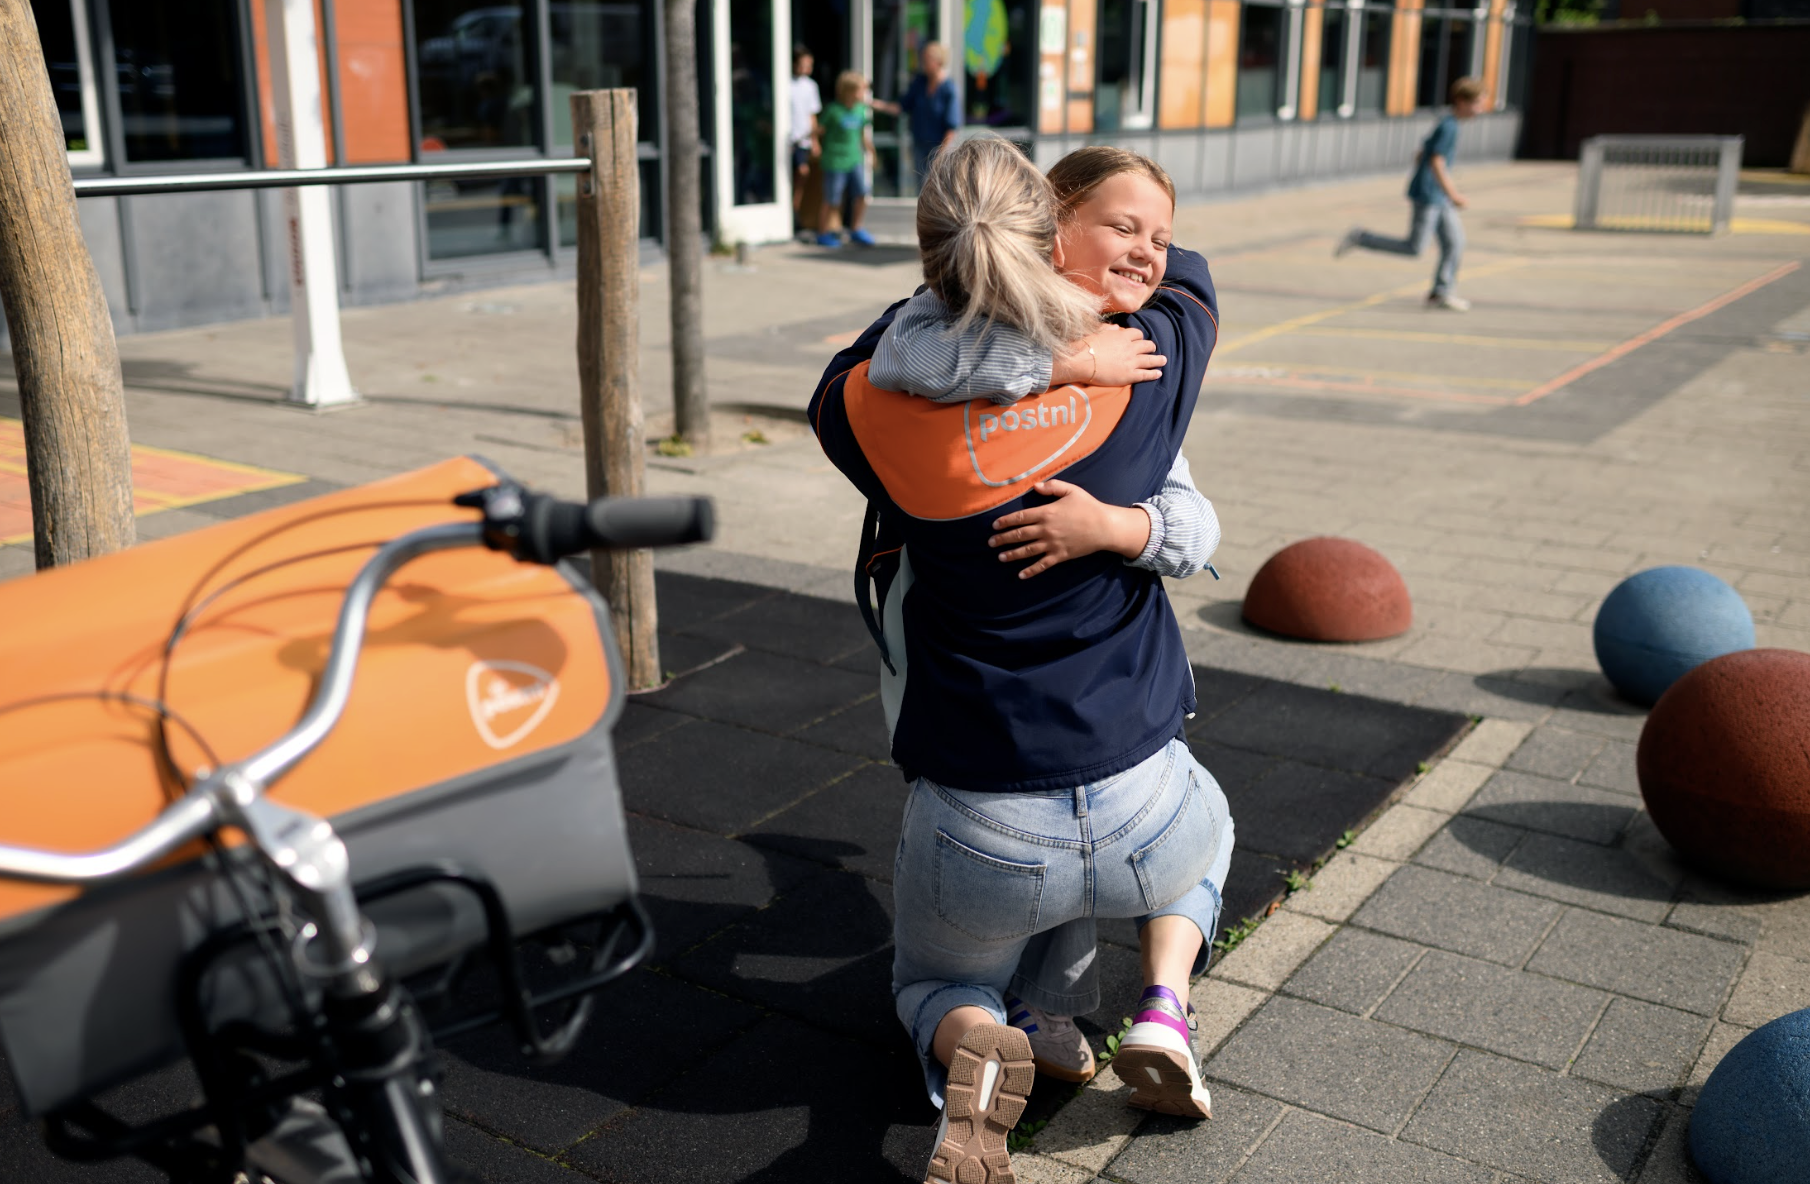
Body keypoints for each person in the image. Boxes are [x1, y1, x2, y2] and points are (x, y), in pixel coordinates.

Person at [809, 140, 1233, 1184]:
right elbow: (1191, 281)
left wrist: (1010, 289)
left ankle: (970, 1032)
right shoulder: (1149, 371)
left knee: (936, 977)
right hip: (1145, 797)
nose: (1143, 250)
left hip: (980, 811)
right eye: (1122, 227)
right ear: (1049, 233)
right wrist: (1079, 342)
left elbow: (861, 359)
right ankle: (1158, 1004)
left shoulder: (866, 408)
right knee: (1210, 826)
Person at [1335, 75, 1489, 311]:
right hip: (1429, 195)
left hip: (1438, 196)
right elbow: (1436, 161)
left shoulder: (1449, 124)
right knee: (1415, 248)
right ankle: (1361, 237)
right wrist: (1453, 193)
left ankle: (1441, 292)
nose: (1480, 109)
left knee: (1455, 242)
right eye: (1477, 103)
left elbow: (1421, 154)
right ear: (1461, 101)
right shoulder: (1448, 126)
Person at [817, 71, 878, 248]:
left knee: (862, 193)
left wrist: (871, 152)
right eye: (861, 91)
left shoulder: (860, 110)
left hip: (854, 159)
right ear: (849, 91)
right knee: (832, 198)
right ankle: (823, 232)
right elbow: (819, 131)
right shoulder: (833, 111)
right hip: (835, 160)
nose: (864, 95)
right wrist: (814, 145)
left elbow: (861, 134)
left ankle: (856, 229)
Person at [891, 41, 961, 188]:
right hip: (919, 146)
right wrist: (872, 104)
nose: (922, 63)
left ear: (938, 62)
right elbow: (901, 107)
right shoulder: (920, 82)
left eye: (926, 60)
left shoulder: (949, 89)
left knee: (936, 190)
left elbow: (952, 126)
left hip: (939, 149)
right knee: (922, 189)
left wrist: (941, 155)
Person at [789, 46, 822, 228]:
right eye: (803, 64)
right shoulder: (785, 84)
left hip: (804, 138)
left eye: (809, 65)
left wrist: (814, 140)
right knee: (796, 174)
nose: (807, 68)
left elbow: (812, 114)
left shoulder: (811, 86)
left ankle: (795, 215)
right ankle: (792, 214)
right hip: (789, 138)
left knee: (801, 175)